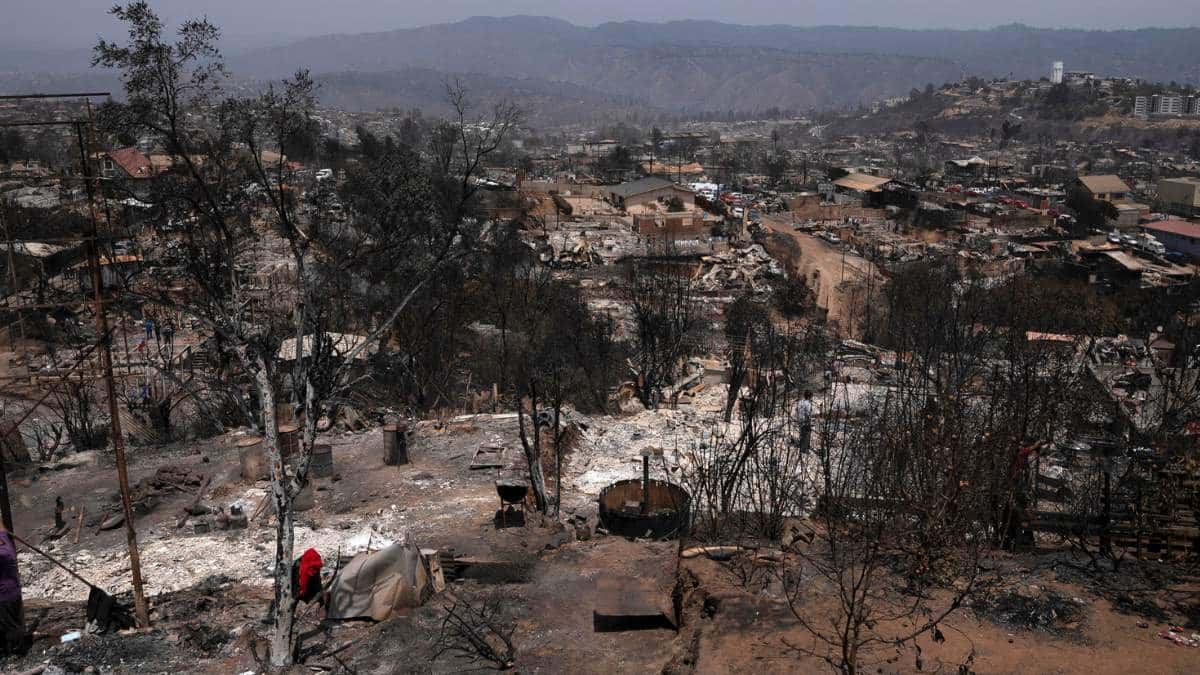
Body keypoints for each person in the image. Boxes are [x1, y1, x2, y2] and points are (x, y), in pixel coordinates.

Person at [0, 522, 27, 656]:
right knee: (15, 622)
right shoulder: (6, 544)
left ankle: (18, 654)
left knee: (11, 626)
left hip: (4, 595)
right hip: (14, 591)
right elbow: (2, 528)